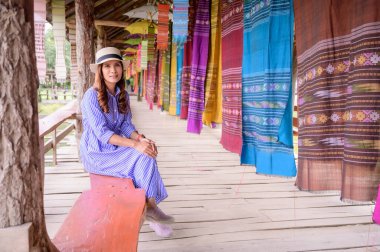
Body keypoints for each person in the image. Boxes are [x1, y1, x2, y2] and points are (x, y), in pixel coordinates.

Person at [80, 47, 174, 237]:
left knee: (146, 153)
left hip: (117, 148)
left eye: (116, 66)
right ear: (100, 70)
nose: (112, 70)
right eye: (107, 66)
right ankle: (150, 209)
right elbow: (102, 133)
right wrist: (134, 145)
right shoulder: (91, 96)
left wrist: (141, 139)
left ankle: (150, 206)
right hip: (98, 153)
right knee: (141, 153)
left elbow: (125, 125)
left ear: (122, 69)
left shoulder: (122, 94)